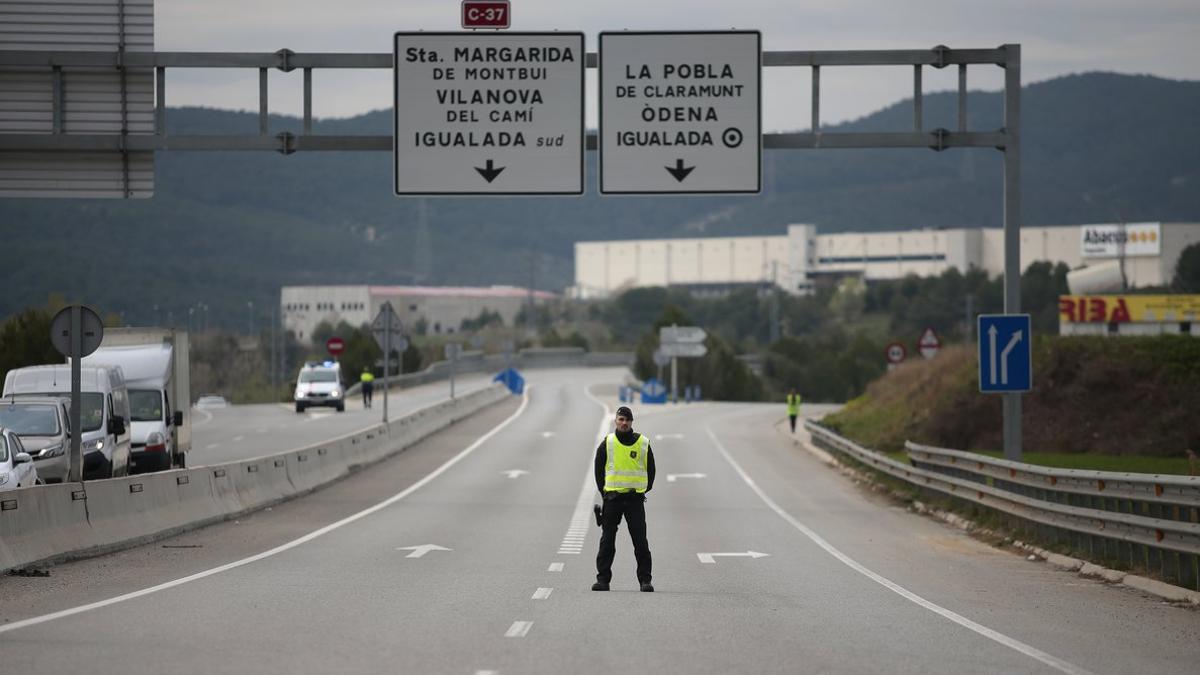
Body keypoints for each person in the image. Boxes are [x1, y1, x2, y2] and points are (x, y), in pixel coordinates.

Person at [592, 405, 656, 592]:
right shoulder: (608, 443)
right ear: (616, 421)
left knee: (640, 542)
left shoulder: (642, 442)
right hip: (612, 499)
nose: (624, 423)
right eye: (621, 419)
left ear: (631, 422)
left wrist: (644, 489)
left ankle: (645, 580)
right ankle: (603, 580)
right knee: (607, 541)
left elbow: (651, 469)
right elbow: (598, 469)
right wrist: (604, 492)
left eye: (627, 420)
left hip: (635, 500)